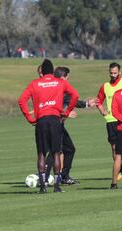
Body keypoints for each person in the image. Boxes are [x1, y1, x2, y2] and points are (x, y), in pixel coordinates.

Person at [18, 59, 79, 193]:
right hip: (55, 120)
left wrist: (29, 118)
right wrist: (66, 112)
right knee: (56, 153)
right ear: (52, 71)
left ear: (42, 72)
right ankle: (57, 186)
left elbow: (21, 100)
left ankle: (43, 187)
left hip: (41, 121)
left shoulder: (35, 83)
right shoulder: (60, 82)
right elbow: (75, 95)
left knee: (41, 153)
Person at [45, 67, 96, 184]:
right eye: (68, 78)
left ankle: (63, 176)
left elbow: (70, 100)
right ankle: (46, 177)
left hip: (53, 124)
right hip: (55, 124)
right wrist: (66, 114)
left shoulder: (52, 87)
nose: (68, 80)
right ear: (63, 77)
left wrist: (87, 104)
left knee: (69, 149)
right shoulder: (59, 88)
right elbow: (66, 101)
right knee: (55, 150)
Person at [96, 62, 122, 181]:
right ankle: (120, 171)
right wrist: (102, 110)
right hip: (111, 120)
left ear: (119, 72)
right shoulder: (105, 86)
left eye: (115, 73)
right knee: (114, 147)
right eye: (111, 73)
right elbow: (98, 100)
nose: (113, 75)